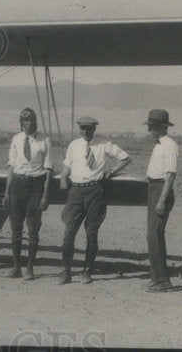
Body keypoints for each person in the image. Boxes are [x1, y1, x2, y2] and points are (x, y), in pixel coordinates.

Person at [57, 116, 131, 285]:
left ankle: (87, 271)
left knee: (91, 232)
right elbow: (67, 165)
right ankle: (66, 271)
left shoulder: (104, 144)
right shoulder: (74, 145)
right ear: (79, 129)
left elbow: (125, 158)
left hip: (95, 191)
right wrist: (63, 177)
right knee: (69, 232)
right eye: (83, 128)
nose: (86, 131)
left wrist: (111, 171)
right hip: (76, 191)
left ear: (94, 128)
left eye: (89, 128)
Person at [2, 107, 52, 279]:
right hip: (16, 185)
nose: (30, 123)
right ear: (21, 122)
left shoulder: (45, 140)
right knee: (16, 230)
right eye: (26, 120)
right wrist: (6, 192)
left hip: (35, 186)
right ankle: (16, 267)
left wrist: (45, 195)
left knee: (33, 230)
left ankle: (30, 268)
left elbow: (49, 169)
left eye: (32, 120)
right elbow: (11, 166)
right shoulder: (16, 139)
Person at [144, 109, 178, 293]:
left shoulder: (169, 145)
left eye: (152, 126)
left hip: (161, 191)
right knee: (152, 236)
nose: (149, 129)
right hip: (153, 189)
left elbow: (170, 175)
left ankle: (163, 281)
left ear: (160, 127)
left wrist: (161, 200)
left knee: (155, 235)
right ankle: (156, 279)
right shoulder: (159, 145)